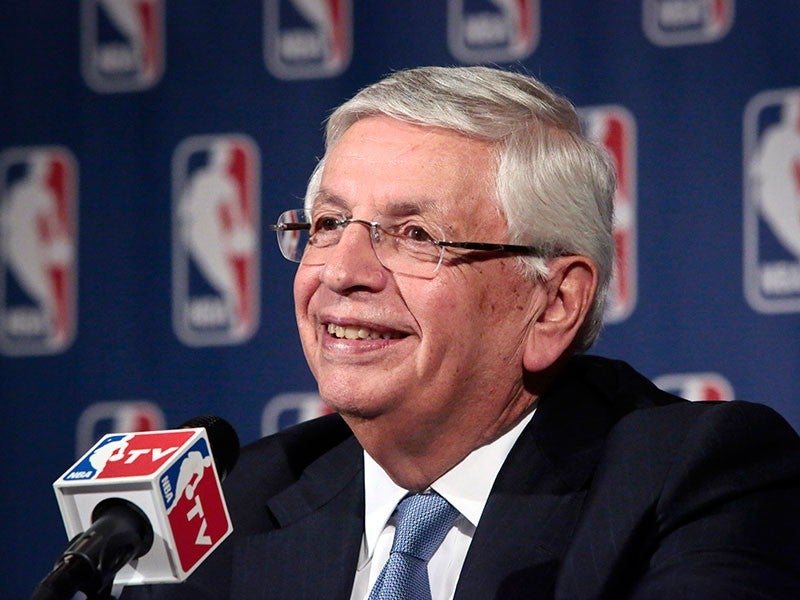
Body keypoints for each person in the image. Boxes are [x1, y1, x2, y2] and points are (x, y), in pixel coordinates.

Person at [123, 66, 800, 599]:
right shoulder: (234, 504)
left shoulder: (695, 481)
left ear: (553, 304)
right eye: (327, 225)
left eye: (417, 236)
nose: (341, 272)